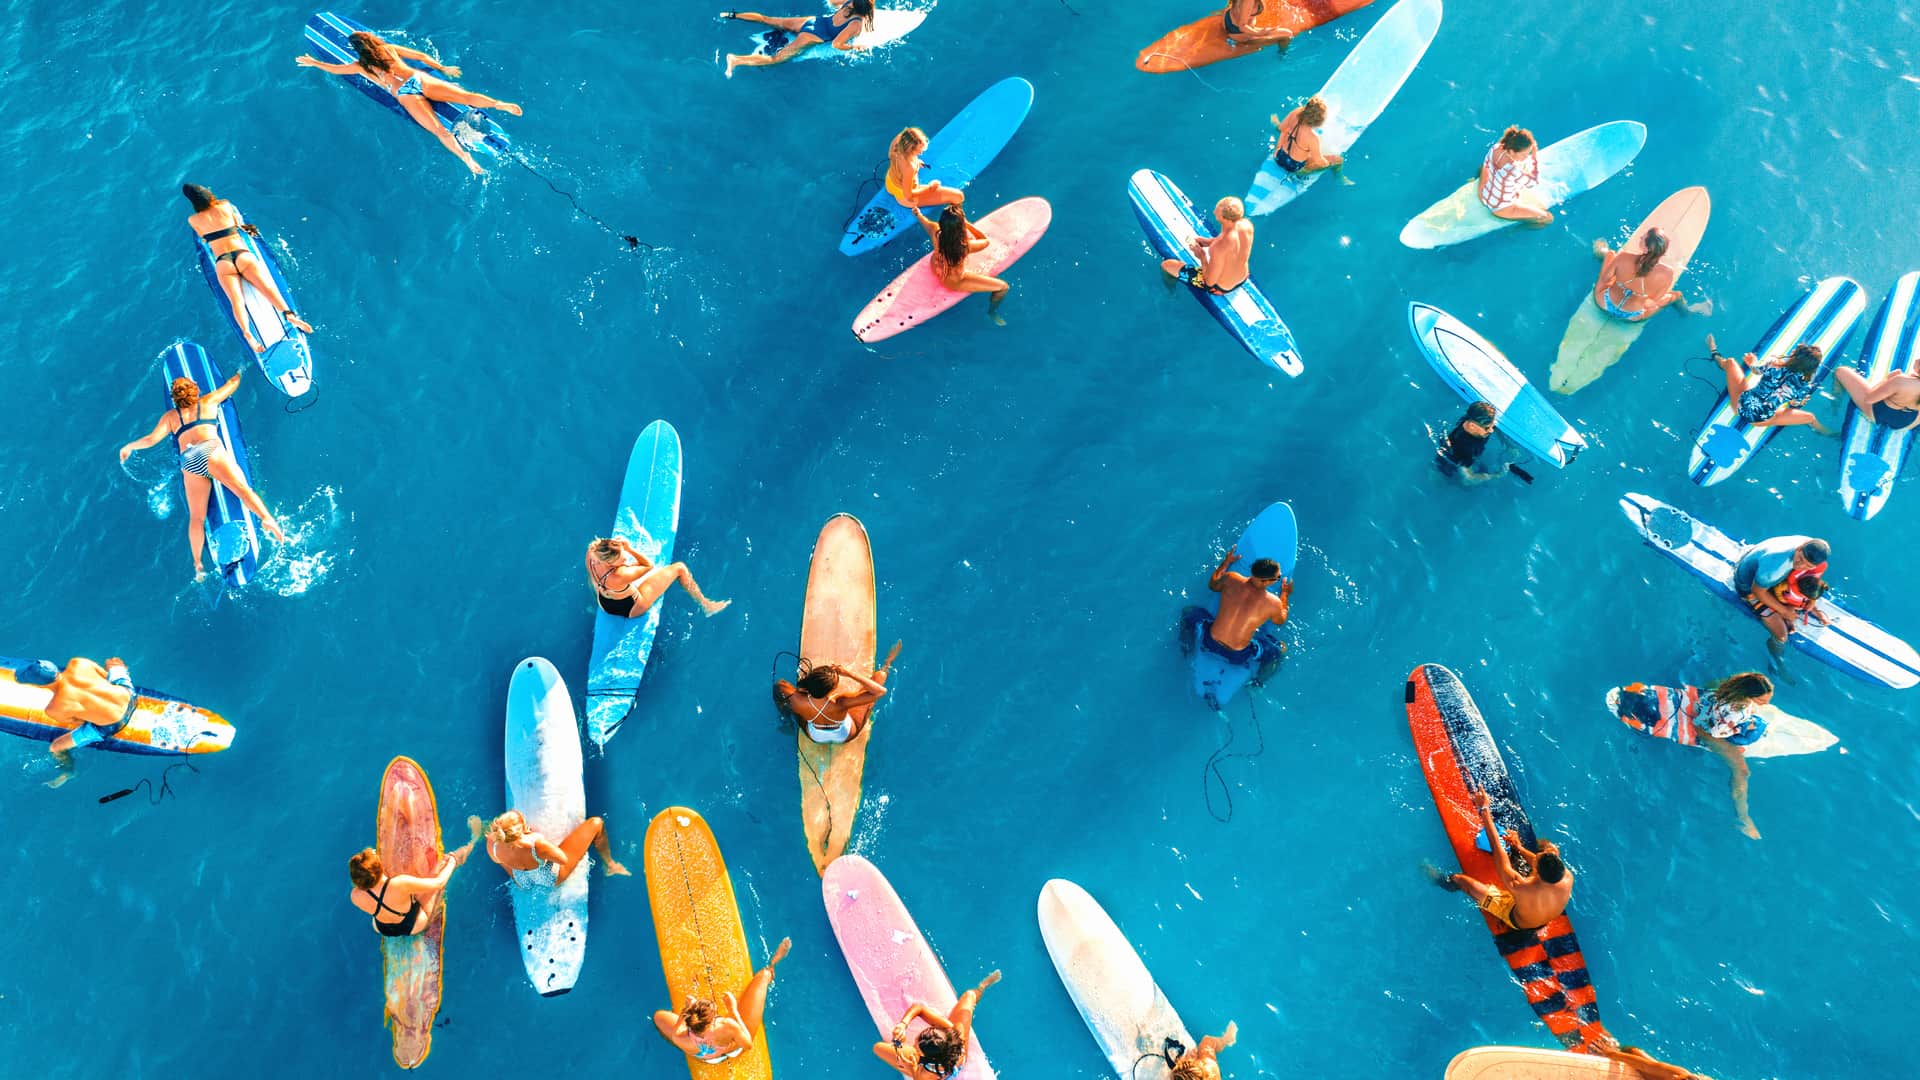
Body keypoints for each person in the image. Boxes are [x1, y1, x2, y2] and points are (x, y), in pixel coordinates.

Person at [119, 371, 288, 578]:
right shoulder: (207, 402)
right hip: (210, 451)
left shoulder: (171, 417)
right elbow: (231, 385)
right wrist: (240, 372)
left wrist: (129, 446)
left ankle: (198, 563)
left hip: (189, 461)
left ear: (176, 399)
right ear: (195, 390)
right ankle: (267, 519)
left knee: (197, 517)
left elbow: (151, 440)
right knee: (243, 491)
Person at [296, 30, 522, 175]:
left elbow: (336, 69)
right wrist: (443, 69)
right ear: (371, 40)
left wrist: (313, 62)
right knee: (466, 97)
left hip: (405, 95)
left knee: (439, 130)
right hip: (418, 79)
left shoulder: (360, 65)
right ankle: (499, 104)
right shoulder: (388, 49)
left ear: (358, 50)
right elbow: (421, 57)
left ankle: (467, 160)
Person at [1615, 673, 1774, 839]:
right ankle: (1743, 819)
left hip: (1704, 708)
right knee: (1742, 772)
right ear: (1748, 696)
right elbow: (1716, 731)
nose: (1767, 703)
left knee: (1715, 688)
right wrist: (1739, 730)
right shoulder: (1736, 712)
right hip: (1708, 732)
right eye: (1762, 700)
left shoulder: (1731, 685)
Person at [182, 184, 314, 353]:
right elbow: (237, 224)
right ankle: (289, 316)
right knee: (267, 288)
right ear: (208, 194)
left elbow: (203, 238)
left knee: (236, 301)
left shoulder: (193, 220)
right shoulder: (225, 205)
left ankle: (248, 334)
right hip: (243, 256)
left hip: (224, 263)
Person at [1431, 788, 1573, 932]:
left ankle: (1435, 878)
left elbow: (1496, 846)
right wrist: (1518, 847)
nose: (1535, 856)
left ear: (1537, 872)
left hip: (1518, 920)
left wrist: (1484, 808)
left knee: (1461, 880)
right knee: (1547, 845)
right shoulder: (1567, 877)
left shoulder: (1520, 886)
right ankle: (1539, 922)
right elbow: (1539, 859)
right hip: (1545, 914)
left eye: (1536, 859)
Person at [652, 937, 793, 1065]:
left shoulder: (683, 1039)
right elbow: (747, 1045)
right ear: (712, 1019)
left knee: (658, 1017)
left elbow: (676, 1034)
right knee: (764, 976)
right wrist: (733, 1010)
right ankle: (773, 963)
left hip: (709, 1058)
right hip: (734, 1049)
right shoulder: (727, 1025)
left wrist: (684, 1013)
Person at [19, 658, 137, 788]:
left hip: (113, 725)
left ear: (38, 685)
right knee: (113, 663)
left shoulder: (54, 708)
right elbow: (105, 676)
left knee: (56, 747)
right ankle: (119, 669)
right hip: (129, 695)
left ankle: (69, 773)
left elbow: (80, 722)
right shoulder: (79, 663)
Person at [1181, 549, 1291, 686]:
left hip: (1208, 641)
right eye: (1277, 577)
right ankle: (1257, 683)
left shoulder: (1231, 578)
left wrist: (1225, 563)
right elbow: (1280, 620)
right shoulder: (1274, 603)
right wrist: (1285, 595)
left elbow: (1213, 585)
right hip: (1237, 656)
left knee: (1189, 611)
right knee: (1280, 650)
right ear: (1265, 582)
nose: (1279, 577)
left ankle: (1187, 649)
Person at [347, 824, 478, 937]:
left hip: (382, 928)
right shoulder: (400, 884)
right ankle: (469, 846)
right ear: (378, 867)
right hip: (412, 927)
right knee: (440, 874)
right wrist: (452, 861)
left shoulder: (355, 896)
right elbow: (439, 883)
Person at [873, 970, 1000, 1078]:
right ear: (939, 1030)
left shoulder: (928, 1073)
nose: (914, 1044)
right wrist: (903, 1024)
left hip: (939, 1071)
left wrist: (913, 1068)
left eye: (917, 1047)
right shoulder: (951, 1030)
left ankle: (911, 1066)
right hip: (954, 1056)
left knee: (878, 1048)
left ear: (928, 1059)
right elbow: (919, 1008)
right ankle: (983, 986)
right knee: (969, 995)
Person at [775, 640, 902, 744]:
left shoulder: (796, 700)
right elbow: (880, 692)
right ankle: (888, 662)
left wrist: (796, 696)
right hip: (844, 735)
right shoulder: (840, 702)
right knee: (877, 680)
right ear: (831, 690)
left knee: (782, 691)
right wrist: (849, 673)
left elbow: (779, 686)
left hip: (815, 736)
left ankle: (787, 721)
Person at [471, 809, 630, 886]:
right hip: (549, 878)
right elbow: (562, 858)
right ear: (524, 830)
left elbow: (500, 859)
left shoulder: (491, 843)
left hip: (521, 880)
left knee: (512, 861)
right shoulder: (535, 843)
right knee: (596, 823)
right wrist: (542, 843)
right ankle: (610, 865)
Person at [910, 204, 1011, 324]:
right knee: (1003, 287)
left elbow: (924, 221)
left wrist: (918, 214)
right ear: (960, 227)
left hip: (935, 266)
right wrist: (967, 223)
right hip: (952, 281)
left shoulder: (935, 230)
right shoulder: (965, 246)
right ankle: (991, 313)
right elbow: (985, 241)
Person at [1707, 334, 1830, 432]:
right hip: (1760, 420)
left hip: (1740, 406)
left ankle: (1714, 352)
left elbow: (1756, 371)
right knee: (1810, 418)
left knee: (1730, 362)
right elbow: (1794, 404)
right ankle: (1826, 433)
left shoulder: (1774, 364)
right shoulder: (1804, 387)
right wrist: (1798, 401)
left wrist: (1752, 362)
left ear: (1794, 355)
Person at [585, 536, 730, 618]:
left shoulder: (591, 554)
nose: (625, 559)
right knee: (680, 568)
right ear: (609, 562)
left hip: (604, 604)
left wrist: (617, 550)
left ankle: (612, 591)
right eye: (622, 559)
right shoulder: (620, 575)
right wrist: (629, 549)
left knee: (606, 584)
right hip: (632, 609)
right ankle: (707, 605)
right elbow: (648, 565)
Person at [1730, 534, 1829, 651]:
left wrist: (1812, 599)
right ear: (1799, 548)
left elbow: (1812, 573)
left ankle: (1787, 608)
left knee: (1808, 589)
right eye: (1800, 559)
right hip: (1748, 584)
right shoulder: (1775, 568)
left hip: (1761, 560)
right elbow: (1757, 591)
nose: (1800, 565)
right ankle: (1776, 659)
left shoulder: (1811, 544)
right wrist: (1785, 611)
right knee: (1782, 635)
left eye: (1808, 565)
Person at [722, 1, 875, 76]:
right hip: (814, 36)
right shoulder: (855, 24)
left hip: (814, 21)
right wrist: (855, 47)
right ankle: (736, 60)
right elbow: (836, 44)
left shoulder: (850, 2)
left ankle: (733, 15)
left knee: (767, 19)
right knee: (776, 59)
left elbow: (832, 2)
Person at [1589, 227, 1701, 321]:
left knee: (1610, 254)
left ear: (1646, 248)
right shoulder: (1667, 274)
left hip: (1603, 303)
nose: (1640, 237)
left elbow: (1605, 279)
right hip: (1632, 316)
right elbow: (1651, 303)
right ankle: (1686, 312)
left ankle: (1600, 250)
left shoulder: (1623, 257)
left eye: (1643, 237)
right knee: (1676, 295)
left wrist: (1621, 280)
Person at [1160, 196, 1252, 296]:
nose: (1214, 211)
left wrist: (1202, 256)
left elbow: (1209, 282)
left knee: (1167, 265)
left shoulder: (1218, 247)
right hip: (1243, 277)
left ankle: (1171, 289)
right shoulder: (1246, 226)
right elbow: (1232, 244)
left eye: (1216, 210)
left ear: (1223, 218)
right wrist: (1208, 242)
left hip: (1220, 288)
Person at [1435, 401, 1530, 484]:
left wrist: (1508, 444)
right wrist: (1498, 474)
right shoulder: (1463, 449)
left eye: (1492, 426)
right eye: (1488, 428)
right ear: (1472, 426)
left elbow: (1493, 426)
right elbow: (1467, 480)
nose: (1491, 430)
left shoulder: (1475, 420)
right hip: (1450, 467)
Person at [1478, 126, 1551, 225]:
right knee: (1547, 218)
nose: (1526, 157)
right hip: (1499, 208)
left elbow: (1486, 166)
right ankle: (1516, 228)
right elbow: (1534, 182)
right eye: (1524, 154)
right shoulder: (1514, 169)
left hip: (1483, 194)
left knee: (1484, 167)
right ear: (1512, 151)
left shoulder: (1496, 147)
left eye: (1528, 154)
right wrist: (1534, 156)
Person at [885, 127, 962, 209]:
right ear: (910, 150)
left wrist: (916, 161)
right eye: (919, 151)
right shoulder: (910, 167)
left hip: (890, 183)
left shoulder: (898, 142)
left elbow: (901, 161)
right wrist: (930, 188)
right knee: (958, 196)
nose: (921, 152)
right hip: (905, 198)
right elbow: (908, 196)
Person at [1833, 362, 1920, 432]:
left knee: (1841, 371)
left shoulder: (1901, 380)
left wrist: (1888, 379)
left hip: (1878, 414)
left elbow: (1869, 399)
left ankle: (1835, 404)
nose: (1916, 359)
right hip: (1906, 423)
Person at [1267, 97, 1341, 177]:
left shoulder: (1295, 113)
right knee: (1338, 160)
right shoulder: (1313, 138)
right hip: (1294, 167)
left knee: (1286, 132)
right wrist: (1327, 164)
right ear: (1318, 123)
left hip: (1278, 156)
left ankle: (1275, 122)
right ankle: (1339, 178)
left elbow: (1281, 129)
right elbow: (1318, 161)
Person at [1163, 1023, 1239, 1080]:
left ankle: (1226, 1039)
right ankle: (1226, 1040)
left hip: (1209, 1072)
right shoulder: (1208, 1065)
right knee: (1207, 1042)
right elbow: (1209, 1041)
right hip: (1210, 1071)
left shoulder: (1208, 1066)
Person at [1223, 0, 1294, 48]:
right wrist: (1260, 33)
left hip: (1230, 22)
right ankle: (1283, 55)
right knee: (1287, 34)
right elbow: (1242, 26)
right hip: (1240, 35)